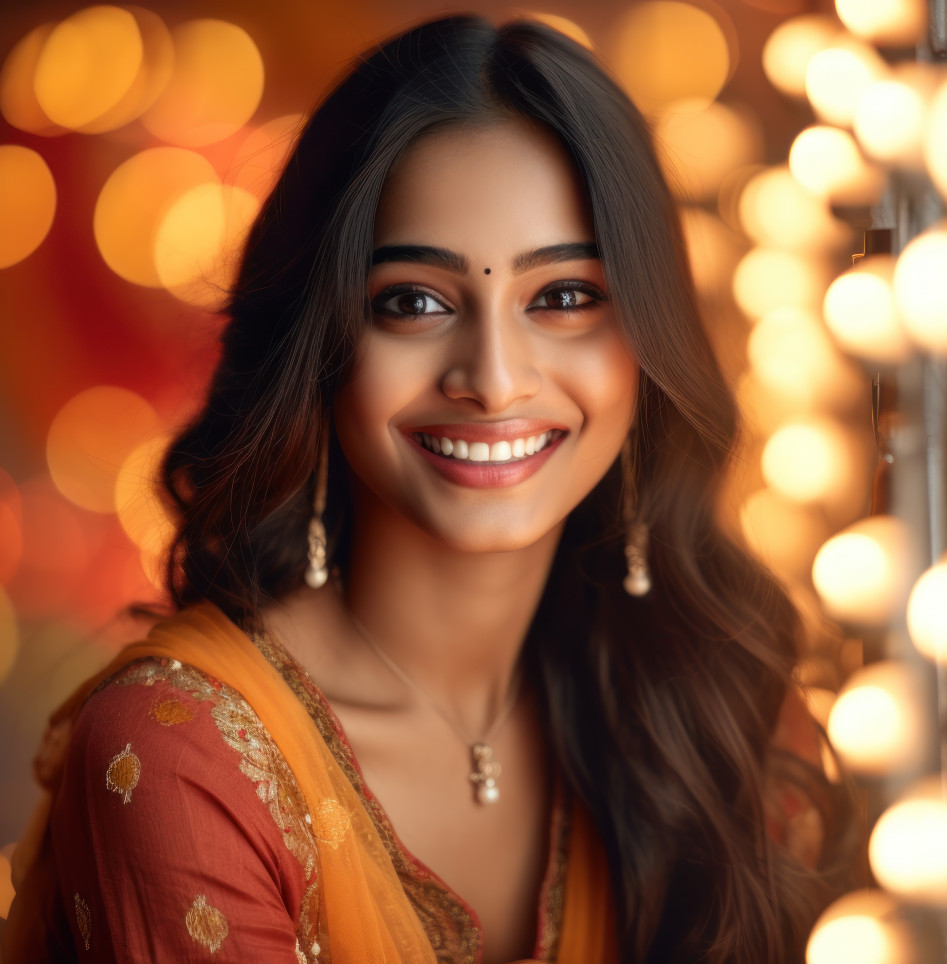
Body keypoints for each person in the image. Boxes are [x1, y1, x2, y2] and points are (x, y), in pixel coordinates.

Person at [5, 14, 848, 963]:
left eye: (563, 297)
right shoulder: (185, 760)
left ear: (649, 342)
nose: (493, 378)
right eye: (414, 302)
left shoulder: (715, 711)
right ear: (320, 341)